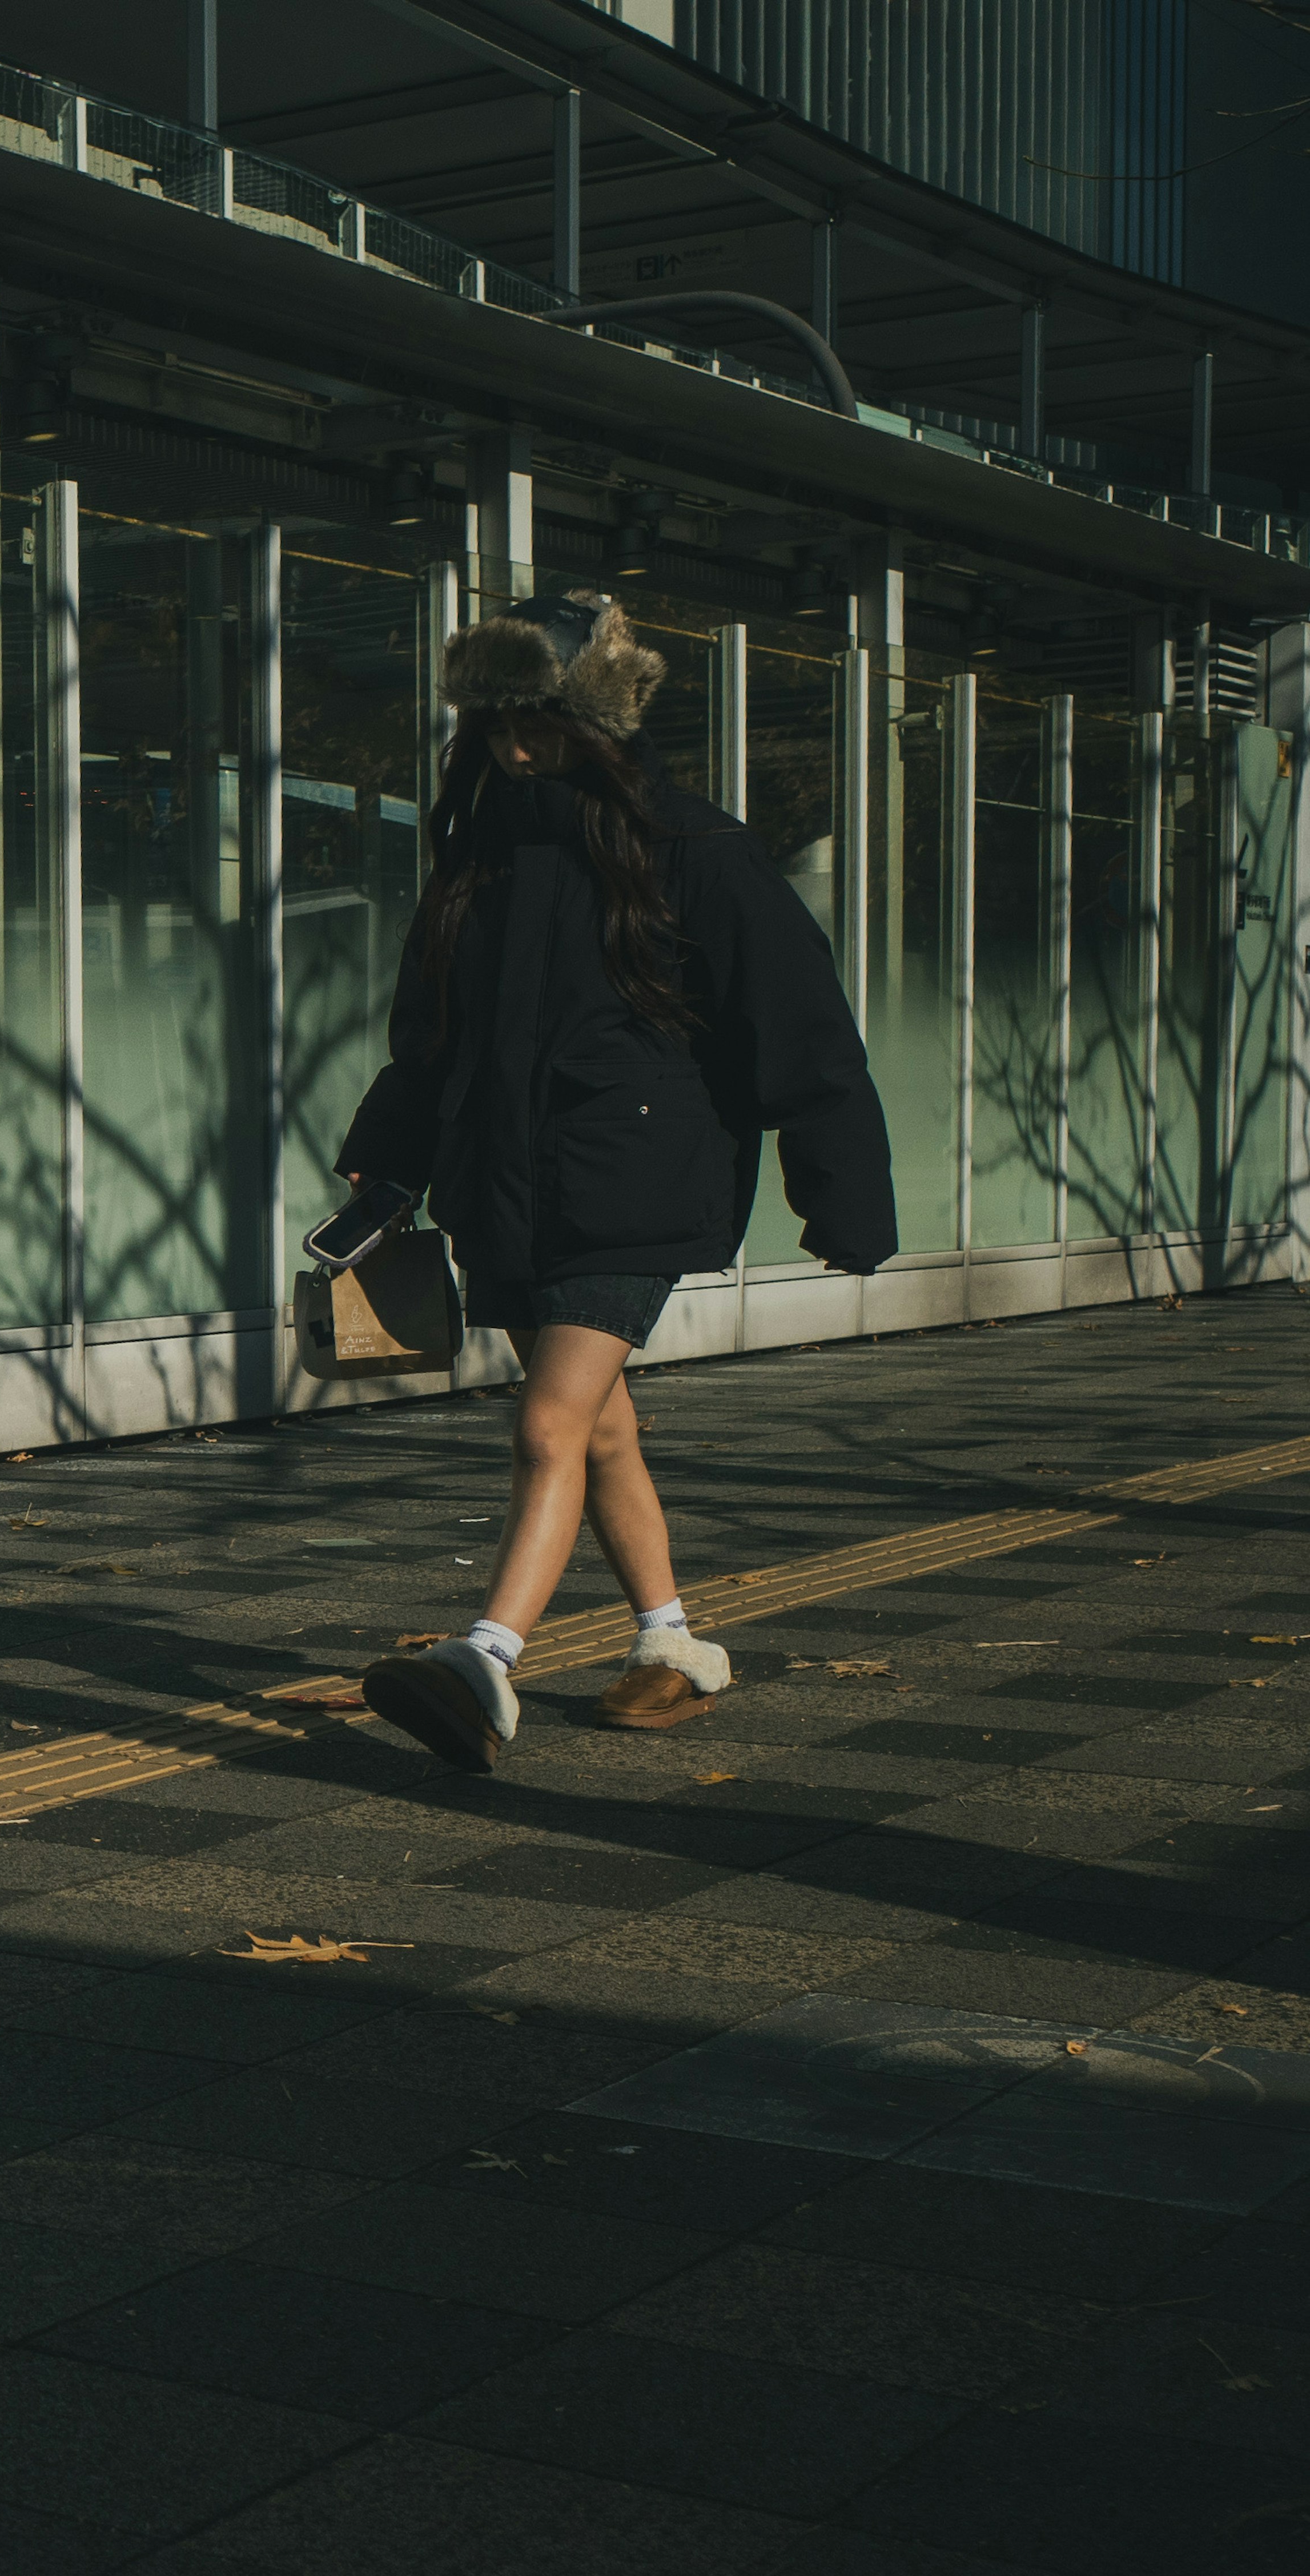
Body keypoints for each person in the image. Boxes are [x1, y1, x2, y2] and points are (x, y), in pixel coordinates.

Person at [337, 590, 896, 1775]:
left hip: (637, 1180)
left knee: (549, 1418)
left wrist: (842, 1193)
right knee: (599, 1430)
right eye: (495, 725)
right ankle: (672, 1644)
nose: (513, 746)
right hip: (513, 1183)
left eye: (535, 722)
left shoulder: (695, 846)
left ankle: (484, 1662)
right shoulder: (479, 860)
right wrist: (385, 1170)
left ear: (598, 722)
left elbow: (798, 1024)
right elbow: (428, 1038)